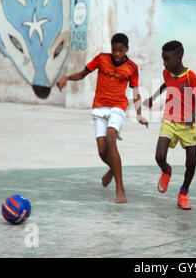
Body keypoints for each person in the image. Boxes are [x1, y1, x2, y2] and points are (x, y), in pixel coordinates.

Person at [57, 33, 149, 204]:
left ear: (127, 50)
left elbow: (135, 92)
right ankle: (114, 170)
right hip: (99, 107)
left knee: (111, 138)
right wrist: (67, 78)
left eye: (120, 50)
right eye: (114, 49)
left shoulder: (132, 67)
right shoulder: (101, 59)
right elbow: (83, 74)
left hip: (117, 108)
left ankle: (120, 190)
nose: (116, 53)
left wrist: (138, 114)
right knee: (101, 151)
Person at [144, 40, 196, 210]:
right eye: (163, 59)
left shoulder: (191, 77)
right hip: (169, 120)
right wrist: (153, 97)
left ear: (179, 57)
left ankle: (183, 193)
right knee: (159, 156)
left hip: (187, 124)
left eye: (167, 59)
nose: (164, 63)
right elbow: (166, 84)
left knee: (191, 162)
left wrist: (192, 117)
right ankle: (166, 170)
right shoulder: (167, 72)